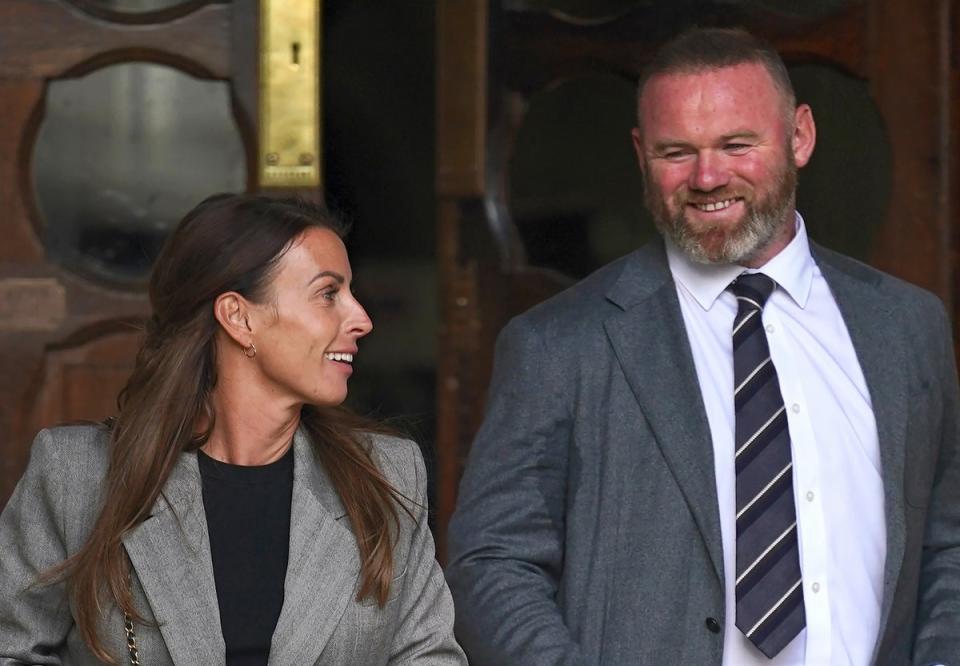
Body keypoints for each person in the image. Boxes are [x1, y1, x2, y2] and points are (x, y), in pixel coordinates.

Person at [445, 27, 960, 666]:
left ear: (800, 137)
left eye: (736, 144)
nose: (708, 176)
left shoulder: (906, 325)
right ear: (640, 154)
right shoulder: (558, 344)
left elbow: (947, 544)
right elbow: (493, 560)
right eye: (675, 152)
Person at [0, 194, 466, 665]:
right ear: (239, 317)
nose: (361, 319)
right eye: (329, 294)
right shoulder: (78, 475)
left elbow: (429, 656)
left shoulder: (385, 474)